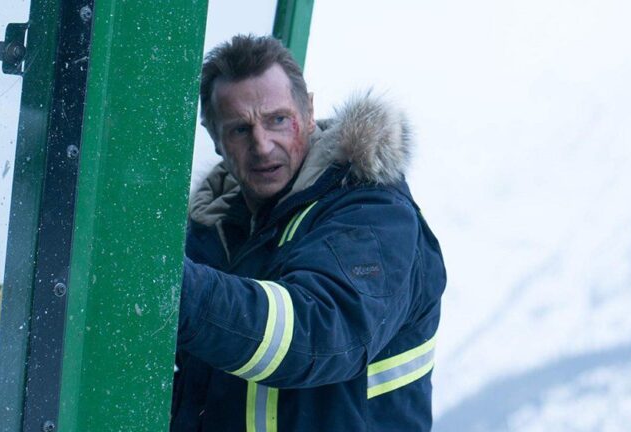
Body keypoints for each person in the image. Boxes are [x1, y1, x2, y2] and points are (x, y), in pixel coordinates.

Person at [173, 34, 446, 432]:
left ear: (310, 111)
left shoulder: (372, 215)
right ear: (214, 138)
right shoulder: (211, 234)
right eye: (240, 130)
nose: (263, 145)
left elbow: (318, 332)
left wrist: (170, 285)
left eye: (278, 120)